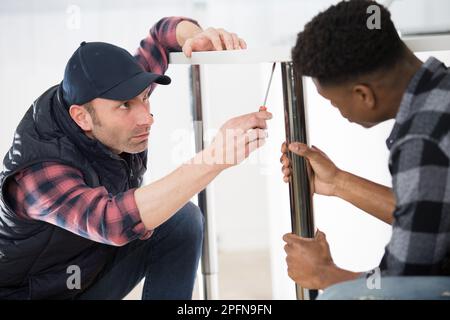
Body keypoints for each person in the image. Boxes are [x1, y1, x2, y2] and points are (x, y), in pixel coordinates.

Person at [0, 16, 272, 300]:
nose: (146, 118)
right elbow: (111, 222)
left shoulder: (109, 95)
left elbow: (162, 36)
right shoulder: (36, 174)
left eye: (145, 97)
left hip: (87, 273)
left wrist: (197, 36)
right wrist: (215, 158)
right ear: (82, 117)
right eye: (125, 107)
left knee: (180, 220)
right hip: (35, 295)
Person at [281, 0, 450, 299]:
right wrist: (336, 181)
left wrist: (325, 275)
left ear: (363, 94)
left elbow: (405, 283)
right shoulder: (442, 92)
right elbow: (433, 215)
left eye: (333, 101)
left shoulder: (422, 140)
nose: (338, 110)